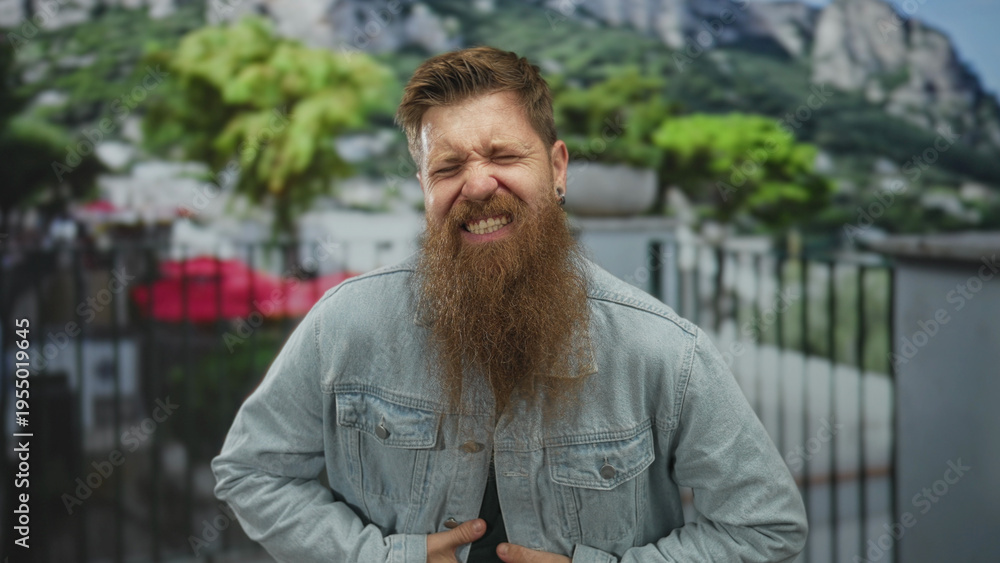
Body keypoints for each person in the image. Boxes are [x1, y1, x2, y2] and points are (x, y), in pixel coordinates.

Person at [212, 46, 808, 563]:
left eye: (503, 156)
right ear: (424, 189)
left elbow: (766, 525)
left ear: (556, 169)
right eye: (447, 167)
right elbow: (251, 471)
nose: (476, 185)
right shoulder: (345, 324)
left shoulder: (663, 351)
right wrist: (384, 556)